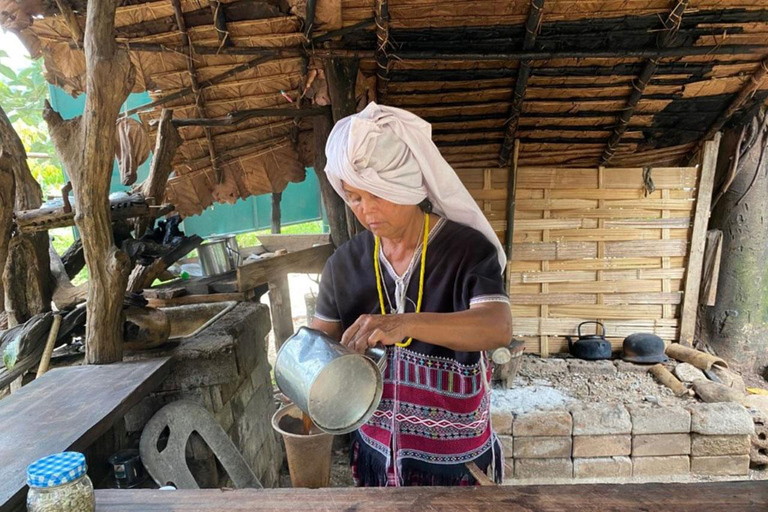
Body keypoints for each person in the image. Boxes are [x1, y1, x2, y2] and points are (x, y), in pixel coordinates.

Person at [310, 102, 513, 487]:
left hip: (457, 461)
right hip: (374, 452)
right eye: (353, 197)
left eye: (377, 195)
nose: (366, 210)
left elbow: (497, 327)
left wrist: (402, 323)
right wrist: (320, 363)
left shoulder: (467, 251)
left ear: (406, 185)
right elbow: (318, 345)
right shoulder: (343, 265)